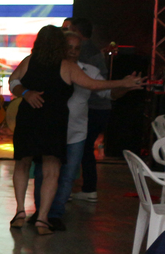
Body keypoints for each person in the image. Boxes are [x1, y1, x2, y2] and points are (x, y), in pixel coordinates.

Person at [7, 25, 140, 235]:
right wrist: (122, 82)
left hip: (29, 119)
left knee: (22, 165)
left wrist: (25, 93)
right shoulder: (66, 66)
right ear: (60, 44)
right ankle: (42, 219)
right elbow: (93, 85)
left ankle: (20, 211)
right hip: (54, 122)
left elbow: (12, 80)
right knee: (52, 170)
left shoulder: (29, 61)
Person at [30, 31, 120, 231]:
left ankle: (54, 215)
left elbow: (107, 92)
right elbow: (16, 82)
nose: (72, 51)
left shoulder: (89, 70)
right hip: (49, 131)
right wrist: (27, 93)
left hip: (75, 133)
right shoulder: (46, 68)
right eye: (68, 47)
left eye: (77, 48)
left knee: (68, 176)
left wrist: (125, 86)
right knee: (42, 174)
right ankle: (40, 212)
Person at [72, 17, 108, 202]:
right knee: (83, 148)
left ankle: (87, 188)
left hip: (93, 107)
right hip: (98, 106)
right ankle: (85, 188)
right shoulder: (92, 49)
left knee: (82, 148)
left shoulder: (84, 53)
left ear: (77, 32)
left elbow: (90, 83)